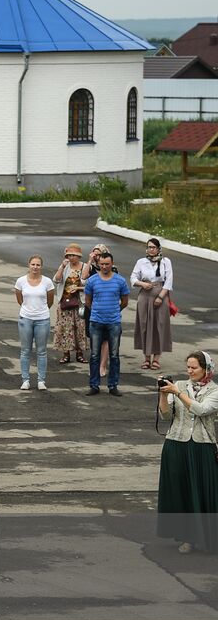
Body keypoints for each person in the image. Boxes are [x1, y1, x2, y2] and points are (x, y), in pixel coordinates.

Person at [158, 351, 218, 554]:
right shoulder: (180, 386)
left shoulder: (214, 390)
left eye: (194, 368)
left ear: (206, 369)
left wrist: (177, 393)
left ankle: (206, 536)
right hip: (176, 443)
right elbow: (166, 415)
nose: (190, 371)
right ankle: (187, 538)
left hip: (202, 447)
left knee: (201, 493)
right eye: (188, 367)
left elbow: (201, 410)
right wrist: (163, 395)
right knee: (181, 492)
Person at [84, 250, 130, 396]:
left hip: (114, 322)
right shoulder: (92, 281)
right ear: (99, 264)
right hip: (96, 322)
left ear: (112, 264)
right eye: (102, 264)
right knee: (94, 355)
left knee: (114, 355)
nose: (104, 267)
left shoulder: (120, 281)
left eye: (107, 264)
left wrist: (115, 310)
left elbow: (124, 301)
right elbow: (88, 301)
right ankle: (94, 385)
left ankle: (113, 385)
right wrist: (98, 311)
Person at [10, 254, 56, 391]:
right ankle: (25, 380)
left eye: (38, 265)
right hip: (26, 319)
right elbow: (20, 299)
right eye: (33, 264)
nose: (35, 267)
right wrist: (28, 310)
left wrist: (40, 311)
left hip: (42, 319)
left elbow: (50, 301)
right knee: (25, 350)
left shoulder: (47, 282)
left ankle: (41, 380)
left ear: (41, 266)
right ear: (29, 265)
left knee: (41, 351)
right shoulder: (21, 281)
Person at [130, 237, 174, 372]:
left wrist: (161, 297)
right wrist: (142, 283)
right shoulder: (141, 262)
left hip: (160, 294)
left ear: (158, 249)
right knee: (144, 324)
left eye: (153, 247)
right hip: (145, 295)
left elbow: (168, 281)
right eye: (149, 247)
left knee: (159, 325)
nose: (150, 250)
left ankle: (156, 359)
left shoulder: (166, 262)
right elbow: (133, 277)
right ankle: (146, 358)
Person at [53, 243, 89, 365]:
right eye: (69, 255)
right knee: (65, 327)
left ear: (79, 256)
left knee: (80, 327)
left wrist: (78, 288)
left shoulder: (84, 267)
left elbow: (88, 285)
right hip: (65, 301)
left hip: (79, 302)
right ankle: (66, 353)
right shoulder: (65, 266)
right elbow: (57, 279)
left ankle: (80, 353)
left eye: (74, 255)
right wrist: (62, 267)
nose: (71, 258)